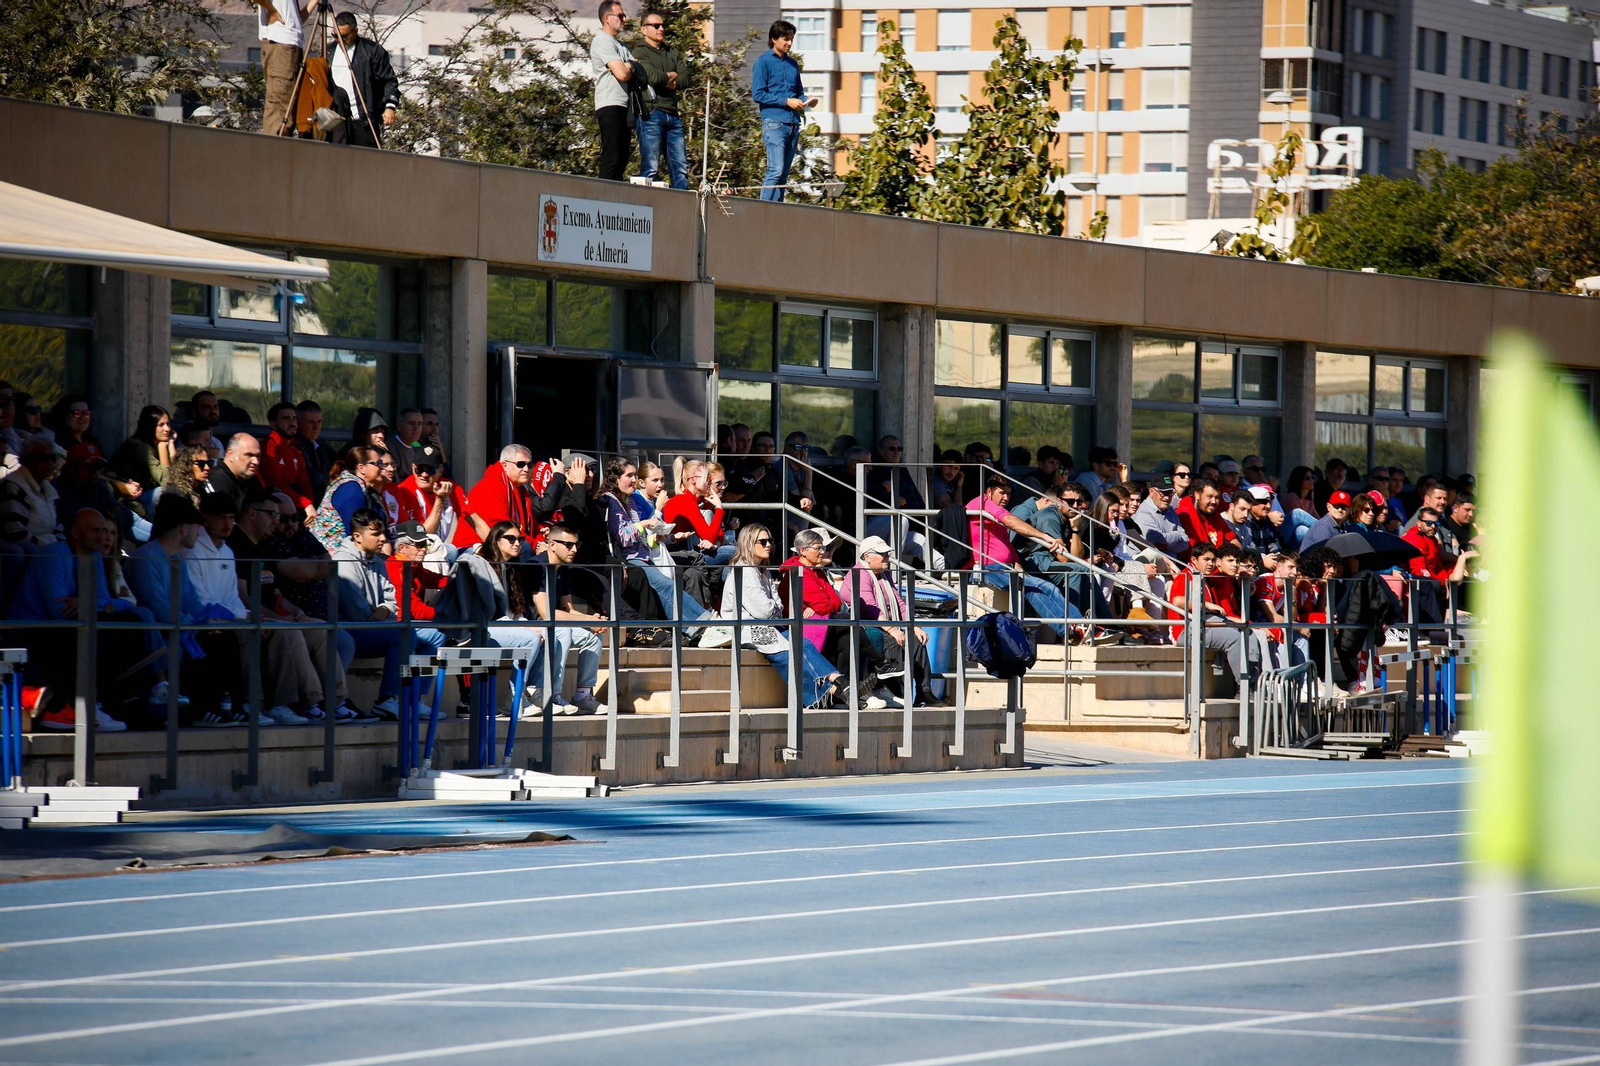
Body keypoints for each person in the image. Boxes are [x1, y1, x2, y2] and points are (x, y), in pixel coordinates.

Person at [229, 487, 358, 724]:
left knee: (321, 629)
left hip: (274, 616)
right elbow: (244, 597)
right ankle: (309, 702)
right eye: (273, 515)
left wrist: (295, 612)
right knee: (291, 633)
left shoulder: (263, 546)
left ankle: (336, 700)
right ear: (251, 514)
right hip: (252, 618)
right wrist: (281, 619)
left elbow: (274, 591)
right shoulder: (236, 546)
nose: (277, 522)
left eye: (281, 516)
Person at [720, 523, 857, 709]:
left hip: (769, 625)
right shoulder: (744, 570)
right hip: (745, 628)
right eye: (763, 541)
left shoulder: (763, 571)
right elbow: (765, 611)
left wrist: (773, 608)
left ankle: (840, 682)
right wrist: (773, 608)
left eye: (770, 540)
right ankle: (828, 693)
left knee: (803, 643)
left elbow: (777, 606)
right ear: (749, 544)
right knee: (786, 654)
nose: (769, 544)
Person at [330, 508, 446, 719]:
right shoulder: (344, 562)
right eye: (376, 534)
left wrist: (384, 609)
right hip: (353, 629)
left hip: (375, 626)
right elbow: (357, 611)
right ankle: (386, 699)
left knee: (436, 635)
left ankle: (415, 700)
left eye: (383, 533)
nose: (383, 539)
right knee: (404, 634)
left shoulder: (378, 560)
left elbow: (391, 601)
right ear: (357, 536)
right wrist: (384, 610)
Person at [599, 457, 714, 632]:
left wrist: (653, 538)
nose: (633, 480)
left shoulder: (628, 500)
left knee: (670, 583)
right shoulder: (611, 500)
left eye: (635, 475)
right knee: (666, 584)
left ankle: (700, 623)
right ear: (616, 479)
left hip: (643, 555)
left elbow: (639, 535)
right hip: (630, 559)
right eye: (629, 475)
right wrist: (646, 523)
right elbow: (622, 536)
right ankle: (701, 625)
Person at [968, 475, 1079, 642]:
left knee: (1048, 587)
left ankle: (1082, 626)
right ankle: (1072, 631)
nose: (1005, 497)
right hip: (985, 567)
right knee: (1038, 586)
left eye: (1009, 494)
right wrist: (1043, 536)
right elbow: (1010, 521)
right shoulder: (981, 503)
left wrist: (1017, 563)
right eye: (1001, 493)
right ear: (989, 491)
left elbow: (1006, 542)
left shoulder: (995, 508)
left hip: (1003, 567)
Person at [847, 535, 936, 707]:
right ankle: (895, 692)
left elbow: (900, 603)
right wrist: (893, 629)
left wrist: (914, 626)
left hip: (885, 624)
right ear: (867, 556)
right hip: (869, 626)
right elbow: (871, 607)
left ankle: (925, 692)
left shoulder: (884, 574)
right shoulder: (859, 574)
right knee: (893, 640)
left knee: (917, 640)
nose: (887, 557)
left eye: (888, 554)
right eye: (883, 554)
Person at [527, 522, 605, 715]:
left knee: (593, 635)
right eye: (568, 545)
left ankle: (583, 694)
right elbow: (546, 613)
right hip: (531, 625)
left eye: (576, 545)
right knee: (563, 630)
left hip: (552, 624)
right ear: (552, 544)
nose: (574, 549)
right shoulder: (536, 566)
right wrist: (586, 620)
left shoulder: (562, 568)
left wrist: (591, 619)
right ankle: (550, 693)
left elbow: (567, 608)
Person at [1169, 541, 1264, 689]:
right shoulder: (1186, 575)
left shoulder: (1203, 577)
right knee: (1234, 638)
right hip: (1184, 631)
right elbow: (1177, 601)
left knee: (1247, 632)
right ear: (1194, 560)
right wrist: (1206, 604)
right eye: (1206, 559)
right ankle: (1245, 687)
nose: (1211, 564)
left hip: (1202, 626)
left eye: (1213, 560)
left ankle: (1255, 680)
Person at [752, 19, 812, 202]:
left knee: (784, 176)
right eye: (786, 39)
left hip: (793, 124)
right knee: (775, 170)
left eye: (791, 39)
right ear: (774, 39)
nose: (789, 43)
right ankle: (761, 211)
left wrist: (806, 101)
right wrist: (786, 101)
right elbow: (758, 94)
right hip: (774, 123)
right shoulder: (763, 62)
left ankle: (776, 213)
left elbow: (799, 93)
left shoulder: (793, 64)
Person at [632, 10, 690, 189]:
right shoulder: (639, 51)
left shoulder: (672, 52)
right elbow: (650, 76)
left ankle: (683, 209)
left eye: (663, 25)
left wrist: (668, 79)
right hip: (651, 113)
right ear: (644, 29)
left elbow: (685, 79)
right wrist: (671, 76)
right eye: (656, 26)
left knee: (680, 169)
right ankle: (646, 211)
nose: (661, 29)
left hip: (673, 116)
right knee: (651, 168)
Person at [247, 0, 321, 135]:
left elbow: (294, 20)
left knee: (289, 105)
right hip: (281, 44)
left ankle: (280, 145)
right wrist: (273, 11)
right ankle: (273, 148)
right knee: (280, 105)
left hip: (289, 44)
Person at [330, 10, 399, 148]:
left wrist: (389, 107)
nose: (339, 41)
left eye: (344, 36)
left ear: (355, 31)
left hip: (363, 121)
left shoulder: (372, 51)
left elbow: (389, 81)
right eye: (335, 36)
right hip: (335, 121)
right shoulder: (328, 51)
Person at [453, 444, 537, 552]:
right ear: (505, 465)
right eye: (520, 464)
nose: (526, 469)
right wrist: (536, 545)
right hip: (473, 547)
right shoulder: (491, 485)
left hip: (503, 542)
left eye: (530, 465)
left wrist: (540, 542)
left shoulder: (522, 489)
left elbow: (533, 527)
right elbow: (503, 530)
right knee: (524, 547)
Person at [397, 446, 481, 545]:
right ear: (413, 468)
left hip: (442, 548)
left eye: (430, 470)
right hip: (418, 549)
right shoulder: (405, 491)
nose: (424, 475)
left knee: (475, 553)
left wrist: (495, 549)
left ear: (440, 471)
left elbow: (476, 521)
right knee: (452, 551)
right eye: (419, 469)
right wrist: (440, 501)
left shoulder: (451, 487)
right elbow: (422, 539)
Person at [592, 0, 635, 181]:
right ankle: (603, 199)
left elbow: (638, 69)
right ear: (607, 18)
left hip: (624, 105)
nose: (624, 19)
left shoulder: (621, 45)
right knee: (612, 156)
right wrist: (629, 66)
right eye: (620, 16)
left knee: (623, 158)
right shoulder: (601, 41)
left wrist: (629, 66)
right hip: (610, 104)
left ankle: (615, 200)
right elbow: (623, 74)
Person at [311, 445, 386, 550]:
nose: (382, 467)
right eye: (377, 463)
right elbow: (355, 531)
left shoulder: (359, 488)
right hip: (334, 558)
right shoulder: (351, 489)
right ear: (361, 468)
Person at [663, 459, 736, 567]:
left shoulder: (700, 501)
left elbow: (719, 533)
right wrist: (719, 509)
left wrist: (715, 545)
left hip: (690, 552)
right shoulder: (685, 501)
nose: (709, 482)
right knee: (736, 552)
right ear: (693, 480)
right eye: (707, 478)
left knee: (730, 565)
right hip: (676, 555)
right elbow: (709, 536)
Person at [108, 405, 175, 512]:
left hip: (146, 497)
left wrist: (171, 448)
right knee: (164, 493)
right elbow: (166, 481)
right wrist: (163, 447)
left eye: (168, 424)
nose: (167, 429)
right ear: (150, 426)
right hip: (132, 499)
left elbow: (178, 476)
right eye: (161, 425)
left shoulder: (157, 444)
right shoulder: (139, 446)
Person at [260, 402, 317, 519]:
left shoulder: (296, 449)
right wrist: (305, 504)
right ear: (273, 424)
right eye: (286, 419)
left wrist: (309, 504)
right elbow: (275, 483)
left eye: (294, 419)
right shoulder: (268, 447)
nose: (292, 423)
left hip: (296, 510)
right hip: (274, 512)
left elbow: (305, 483)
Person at [11, 441, 62, 545]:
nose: (49, 463)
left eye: (52, 458)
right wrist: (48, 547)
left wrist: (59, 545)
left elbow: (58, 527)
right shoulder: (13, 486)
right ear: (28, 461)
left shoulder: (50, 492)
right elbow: (15, 532)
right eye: (42, 458)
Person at [1132, 474, 1188, 560]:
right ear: (1151, 492)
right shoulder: (1143, 512)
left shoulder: (1171, 511)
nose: (1167, 498)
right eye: (1163, 493)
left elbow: (1185, 543)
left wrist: (1164, 546)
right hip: (1149, 564)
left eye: (1170, 493)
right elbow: (1155, 541)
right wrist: (1176, 535)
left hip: (1171, 563)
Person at [209, 433, 266, 513]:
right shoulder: (216, 479)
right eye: (249, 455)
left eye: (258, 457)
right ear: (231, 454)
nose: (255, 462)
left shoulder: (253, 480)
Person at [293, 400, 336, 503]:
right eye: (311, 422)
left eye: (319, 422)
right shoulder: (294, 447)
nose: (316, 427)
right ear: (298, 423)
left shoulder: (324, 448)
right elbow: (312, 478)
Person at [1176, 477, 1236, 551]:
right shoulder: (1185, 514)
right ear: (1197, 495)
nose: (1214, 501)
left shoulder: (1213, 513)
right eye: (1209, 496)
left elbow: (1232, 538)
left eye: (1217, 497)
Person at [388, 408, 427, 482]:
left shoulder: (417, 450)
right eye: (412, 423)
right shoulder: (390, 449)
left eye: (419, 424)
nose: (416, 428)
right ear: (399, 425)